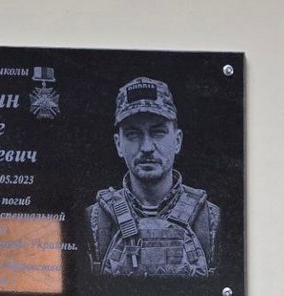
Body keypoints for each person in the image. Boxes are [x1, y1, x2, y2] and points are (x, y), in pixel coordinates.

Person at [86, 77, 219, 276]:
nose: (147, 147)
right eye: (133, 134)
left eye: (158, 133)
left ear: (177, 141)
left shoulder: (210, 220)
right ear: (118, 144)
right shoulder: (95, 220)